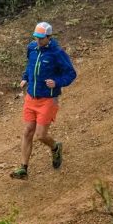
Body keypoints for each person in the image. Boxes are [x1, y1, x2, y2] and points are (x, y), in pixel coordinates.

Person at [11, 22, 76, 180]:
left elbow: (71, 73)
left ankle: (55, 147)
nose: (38, 41)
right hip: (31, 97)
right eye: (36, 38)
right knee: (27, 131)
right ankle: (23, 168)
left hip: (48, 100)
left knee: (40, 135)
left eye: (41, 39)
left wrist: (58, 82)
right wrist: (25, 78)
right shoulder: (32, 48)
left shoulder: (57, 53)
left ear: (49, 37)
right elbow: (30, 65)